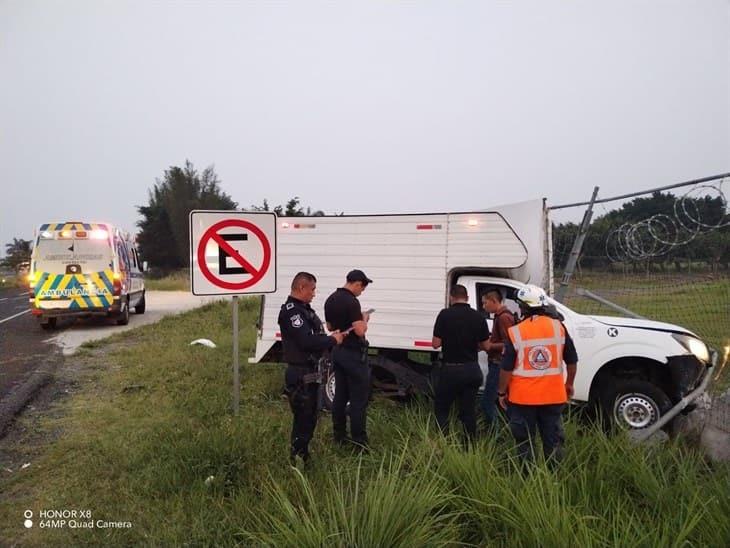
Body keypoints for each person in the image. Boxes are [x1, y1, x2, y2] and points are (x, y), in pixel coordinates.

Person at [497, 284, 578, 468]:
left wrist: (501, 392)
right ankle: (555, 477)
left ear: (524, 306)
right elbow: (572, 361)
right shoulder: (559, 327)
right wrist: (569, 384)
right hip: (553, 397)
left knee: (525, 443)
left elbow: (506, 368)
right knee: (554, 441)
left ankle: (528, 478)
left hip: (522, 399)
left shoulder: (516, 332)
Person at [278, 272, 345, 464]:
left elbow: (315, 335)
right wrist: (332, 340)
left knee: (311, 418)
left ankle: (302, 455)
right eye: (312, 289)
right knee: (303, 419)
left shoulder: (305, 309)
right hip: (300, 373)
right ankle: (297, 459)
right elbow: (306, 341)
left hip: (310, 372)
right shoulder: (292, 312)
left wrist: (331, 337)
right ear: (301, 288)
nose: (314, 293)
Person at [431, 284, 489, 443]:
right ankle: (470, 445)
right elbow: (486, 346)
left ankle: (444, 443)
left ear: (451, 297)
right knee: (468, 411)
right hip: (471, 370)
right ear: (467, 298)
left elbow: (435, 344)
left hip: (451, 370)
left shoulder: (444, 315)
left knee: (442, 409)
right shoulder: (478, 316)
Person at [324, 269, 373, 449]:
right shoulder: (352, 302)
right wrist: (364, 319)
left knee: (340, 397)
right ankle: (360, 442)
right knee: (358, 400)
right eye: (362, 288)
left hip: (338, 352)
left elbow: (330, 327)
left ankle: (339, 437)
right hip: (354, 354)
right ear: (357, 283)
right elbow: (360, 331)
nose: (361, 292)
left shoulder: (331, 299)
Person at [480, 288, 516, 433]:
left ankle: (494, 434)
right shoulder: (500, 316)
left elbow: (510, 343)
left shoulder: (503, 318)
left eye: (485, 303)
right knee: (497, 401)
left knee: (487, 401)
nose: (483, 307)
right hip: (498, 363)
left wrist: (490, 346)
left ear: (494, 301)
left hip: (498, 364)